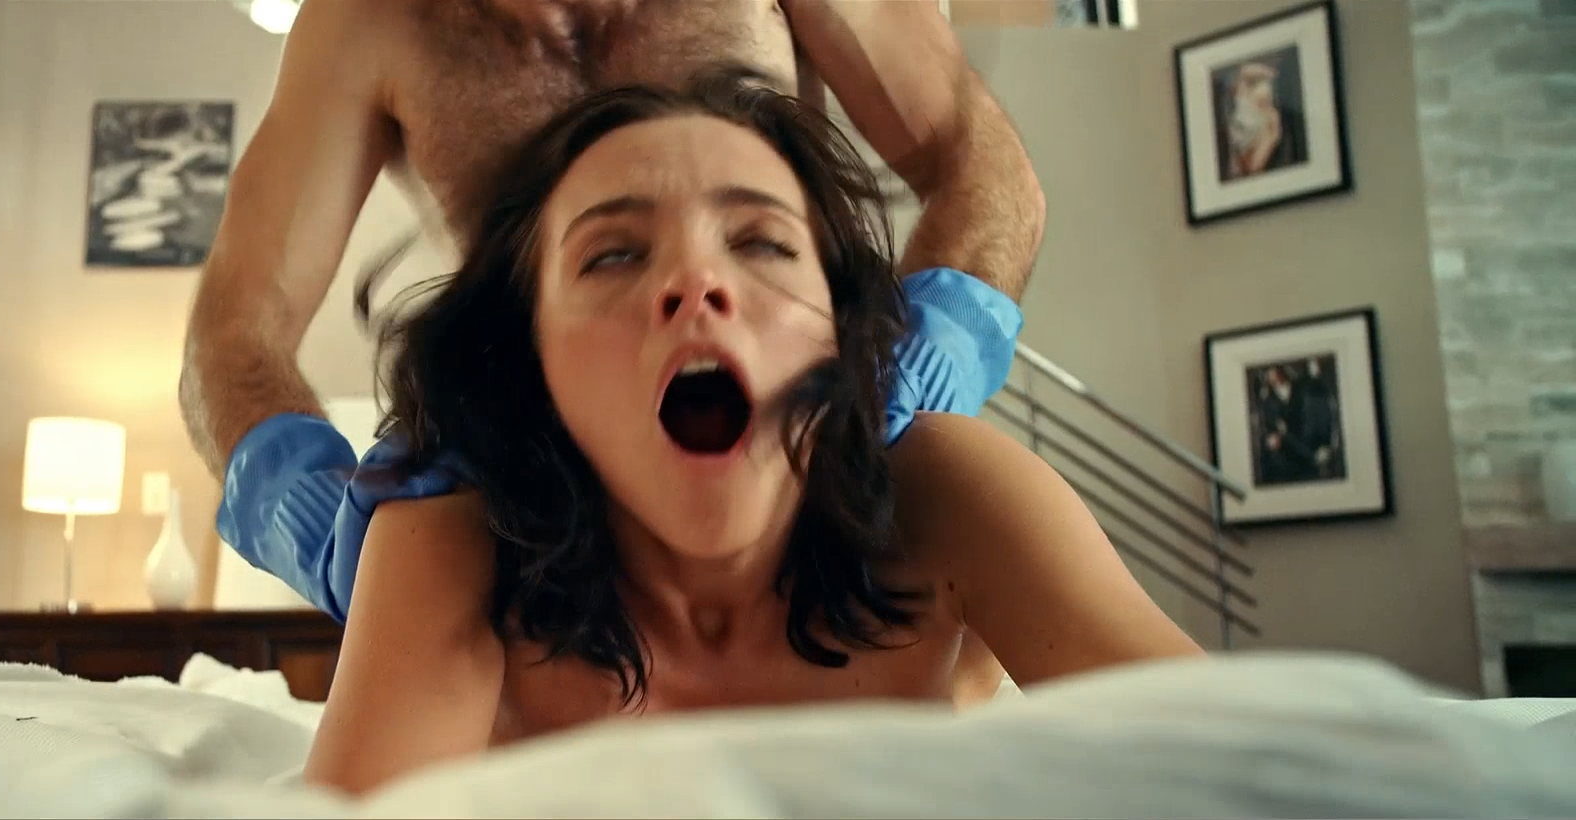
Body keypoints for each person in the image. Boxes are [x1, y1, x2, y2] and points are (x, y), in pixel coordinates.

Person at [300, 72, 1201, 795]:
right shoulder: (448, 542)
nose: (697, 281)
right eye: (613, 253)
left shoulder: (950, 493)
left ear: (839, 330)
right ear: (532, 358)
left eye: (763, 243)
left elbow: (1240, 765)